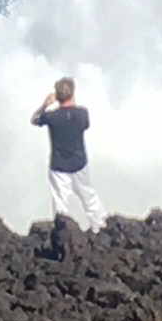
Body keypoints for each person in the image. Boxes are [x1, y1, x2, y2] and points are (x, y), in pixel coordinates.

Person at [30, 76, 108, 232]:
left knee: (61, 206)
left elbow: (34, 119)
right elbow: (84, 125)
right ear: (73, 93)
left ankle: (63, 235)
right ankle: (101, 228)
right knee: (90, 199)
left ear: (57, 96)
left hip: (59, 167)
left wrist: (45, 105)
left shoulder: (52, 117)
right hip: (79, 164)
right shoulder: (82, 114)